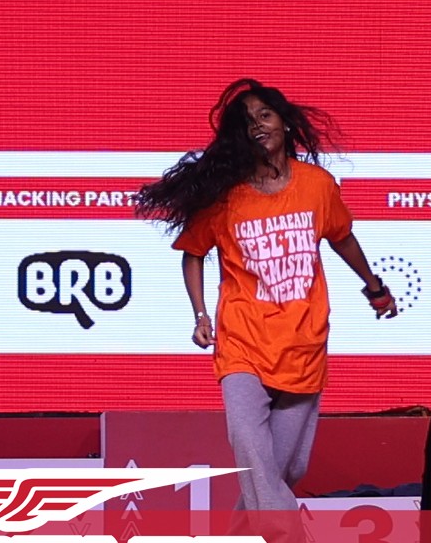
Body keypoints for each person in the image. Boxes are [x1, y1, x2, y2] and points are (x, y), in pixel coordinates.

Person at [135, 79, 400, 515]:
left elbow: (342, 239)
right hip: (242, 343)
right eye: (247, 122)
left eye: (265, 114)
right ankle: (288, 541)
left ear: (284, 122)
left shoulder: (317, 185)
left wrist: (375, 288)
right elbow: (192, 253)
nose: (258, 126)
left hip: (303, 344)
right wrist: (200, 315)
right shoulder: (225, 197)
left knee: (282, 470)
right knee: (252, 454)